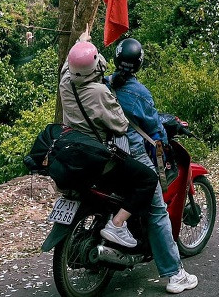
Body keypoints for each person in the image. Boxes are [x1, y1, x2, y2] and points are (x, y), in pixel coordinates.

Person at [109, 37, 199, 295]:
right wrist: (165, 145)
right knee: (157, 211)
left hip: (108, 151)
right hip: (133, 153)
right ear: (139, 64)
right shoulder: (139, 93)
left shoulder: (104, 85)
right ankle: (174, 275)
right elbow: (154, 129)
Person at [59, 38, 157, 249]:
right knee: (148, 179)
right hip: (98, 159)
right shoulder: (100, 92)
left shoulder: (65, 82)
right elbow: (120, 126)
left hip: (73, 151)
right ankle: (118, 223)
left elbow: (69, 65)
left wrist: (81, 42)